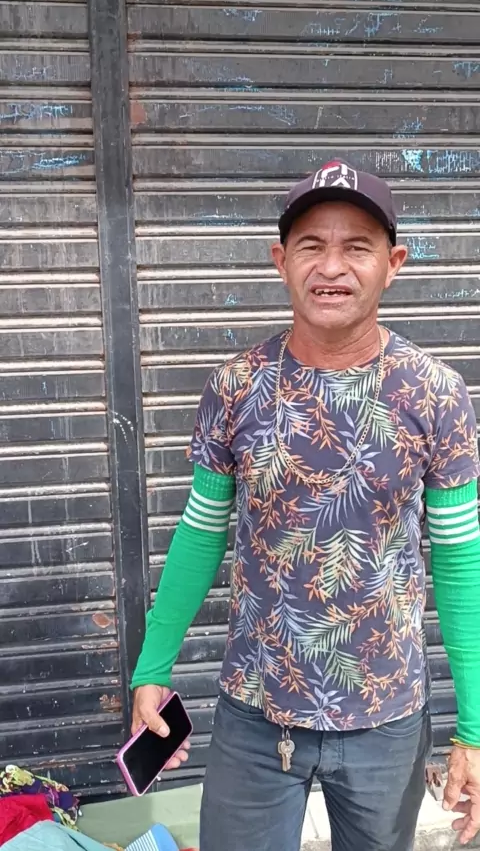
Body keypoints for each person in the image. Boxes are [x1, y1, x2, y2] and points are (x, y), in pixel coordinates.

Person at [131, 160, 480, 850]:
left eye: (358, 247)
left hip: (385, 713)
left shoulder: (435, 394)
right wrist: (152, 670)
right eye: (312, 245)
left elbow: (460, 560)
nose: (332, 266)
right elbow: (200, 534)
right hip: (257, 710)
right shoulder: (236, 387)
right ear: (280, 260)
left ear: (393, 264)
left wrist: (473, 727)